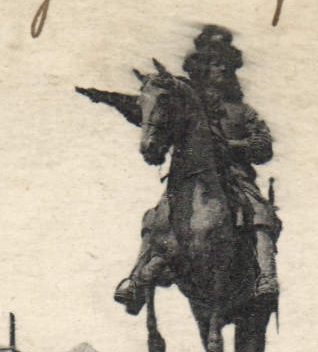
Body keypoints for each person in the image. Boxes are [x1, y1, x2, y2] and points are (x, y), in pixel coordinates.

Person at [115, 26, 281, 313]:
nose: (221, 70)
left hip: (234, 176)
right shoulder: (186, 105)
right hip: (188, 177)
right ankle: (136, 281)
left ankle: (266, 276)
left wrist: (232, 146)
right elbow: (160, 123)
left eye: (225, 65)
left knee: (259, 211)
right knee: (155, 217)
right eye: (214, 64)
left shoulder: (242, 111)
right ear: (201, 68)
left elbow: (263, 145)